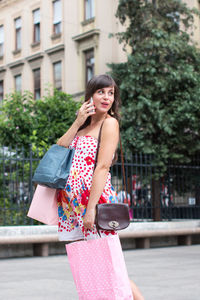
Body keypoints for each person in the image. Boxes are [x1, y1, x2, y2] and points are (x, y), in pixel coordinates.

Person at [57, 74, 144, 300]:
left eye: (111, 93)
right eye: (101, 92)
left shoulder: (109, 123)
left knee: (111, 266)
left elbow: (103, 166)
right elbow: (60, 149)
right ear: (90, 96)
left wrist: (91, 209)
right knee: (91, 267)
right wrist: (77, 122)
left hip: (94, 205)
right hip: (73, 208)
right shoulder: (84, 124)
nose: (107, 97)